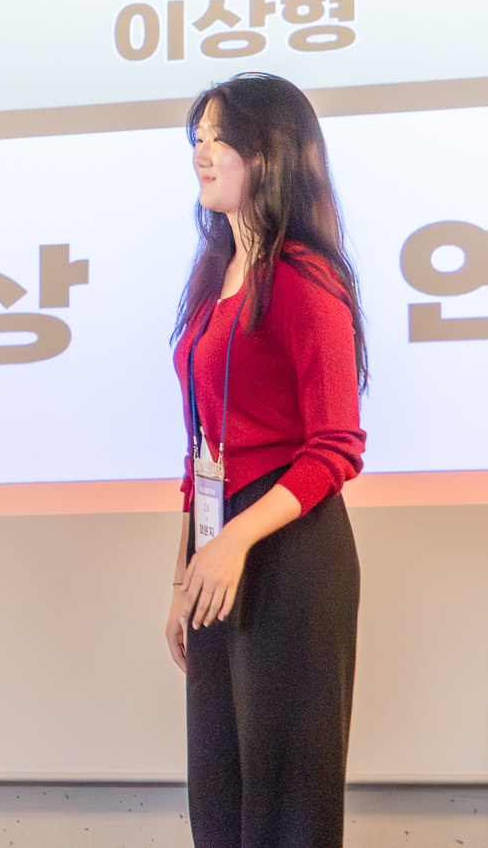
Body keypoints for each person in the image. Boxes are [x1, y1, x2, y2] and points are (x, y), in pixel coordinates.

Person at [164, 72, 368, 848]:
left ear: (271, 152)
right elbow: (202, 448)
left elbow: (335, 446)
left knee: (287, 803)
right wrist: (185, 573)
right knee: (219, 789)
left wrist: (236, 539)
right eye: (197, 138)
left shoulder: (305, 279)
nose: (201, 153)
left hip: (289, 549)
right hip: (219, 544)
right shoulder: (211, 277)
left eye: (220, 138)